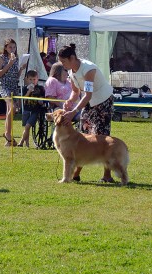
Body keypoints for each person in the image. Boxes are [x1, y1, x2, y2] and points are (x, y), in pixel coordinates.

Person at [57, 44, 115, 182]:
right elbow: (76, 91)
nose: (63, 65)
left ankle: (107, 175)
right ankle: (76, 173)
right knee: (82, 137)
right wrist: (70, 101)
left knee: (102, 138)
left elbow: (87, 94)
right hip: (88, 102)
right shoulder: (71, 71)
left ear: (72, 58)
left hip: (103, 101)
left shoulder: (89, 69)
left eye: (64, 61)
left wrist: (74, 111)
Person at [0, 38, 27, 147]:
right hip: (4, 86)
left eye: (14, 47)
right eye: (10, 47)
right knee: (12, 107)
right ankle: (8, 133)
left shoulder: (17, 58)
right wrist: (9, 64)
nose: (12, 49)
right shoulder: (1, 57)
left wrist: (21, 69)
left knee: (11, 110)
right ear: (5, 47)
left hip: (14, 86)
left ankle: (8, 140)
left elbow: (15, 76)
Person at [18, 70, 44, 148]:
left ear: (37, 79)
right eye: (30, 79)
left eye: (34, 79)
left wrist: (41, 101)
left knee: (28, 126)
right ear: (27, 79)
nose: (32, 81)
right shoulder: (25, 88)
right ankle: (27, 144)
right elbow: (24, 99)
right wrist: (29, 91)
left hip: (35, 111)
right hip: (26, 110)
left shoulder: (40, 88)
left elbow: (43, 99)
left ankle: (21, 142)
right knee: (26, 127)